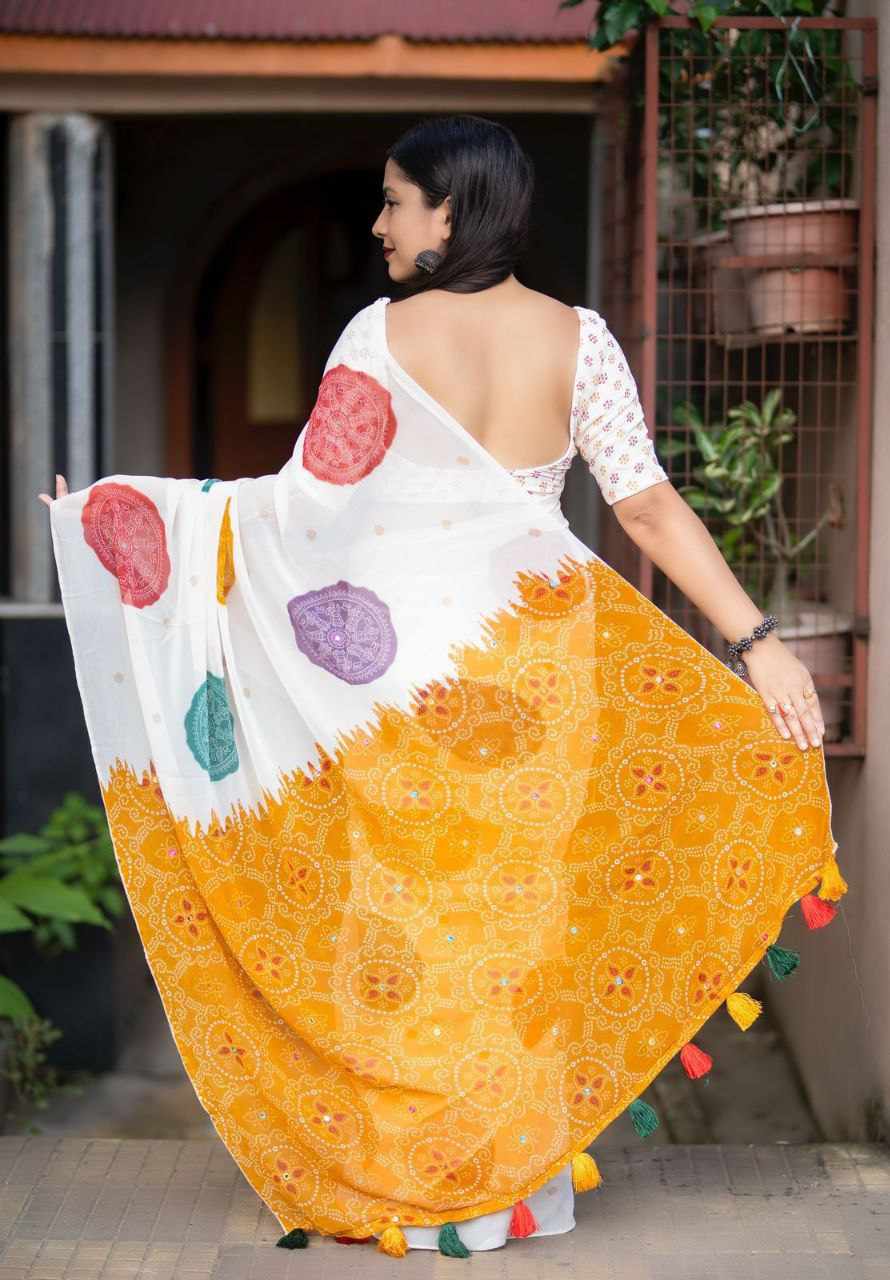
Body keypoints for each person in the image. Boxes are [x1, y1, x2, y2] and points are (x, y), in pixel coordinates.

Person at [38, 114, 840, 1257]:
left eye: (394, 200)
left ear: (450, 210)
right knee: (518, 937)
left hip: (406, 698)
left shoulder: (376, 337)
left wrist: (122, 515)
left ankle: (422, 1192)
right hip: (535, 681)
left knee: (409, 940)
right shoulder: (579, 339)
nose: (378, 224)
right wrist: (755, 638)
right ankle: (514, 1190)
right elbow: (647, 507)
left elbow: (297, 510)